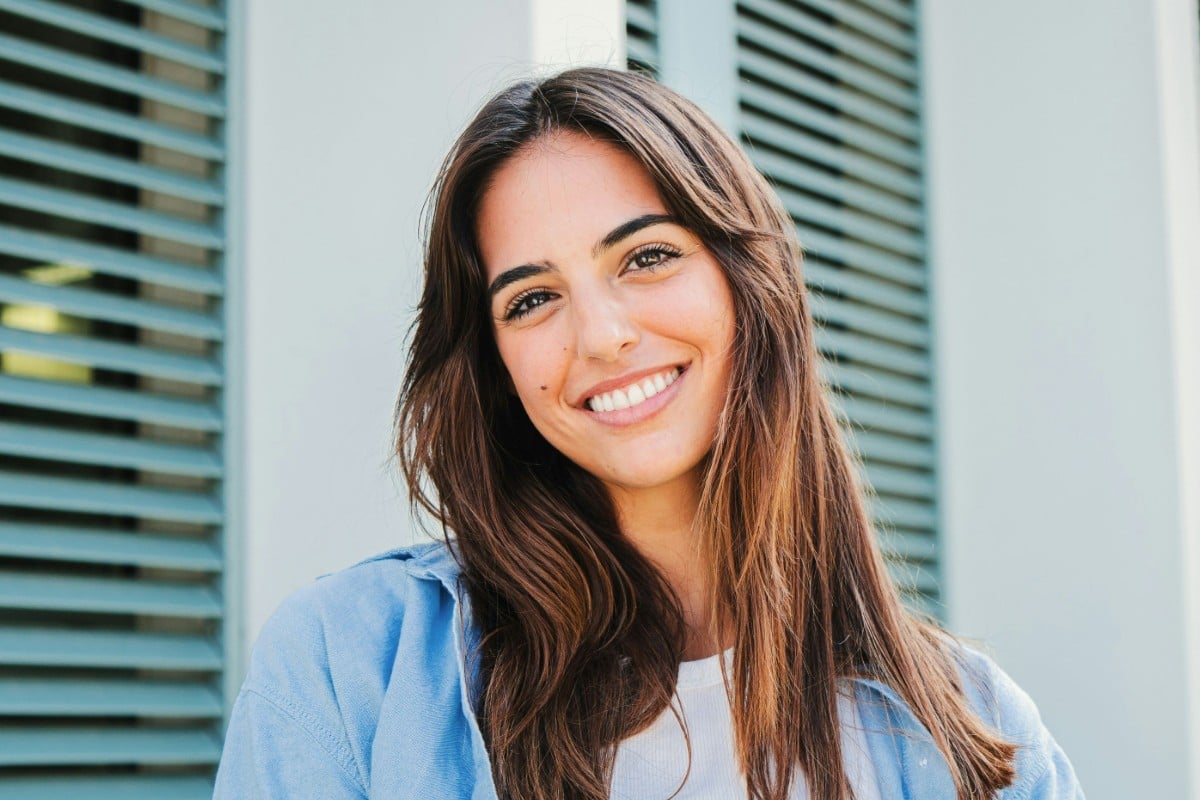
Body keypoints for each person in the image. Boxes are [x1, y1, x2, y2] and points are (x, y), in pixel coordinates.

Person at [213, 67, 1084, 800]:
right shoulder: (347, 669)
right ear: (497, 367)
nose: (600, 335)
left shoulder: (980, 733)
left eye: (646, 256)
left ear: (749, 283)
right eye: (532, 299)